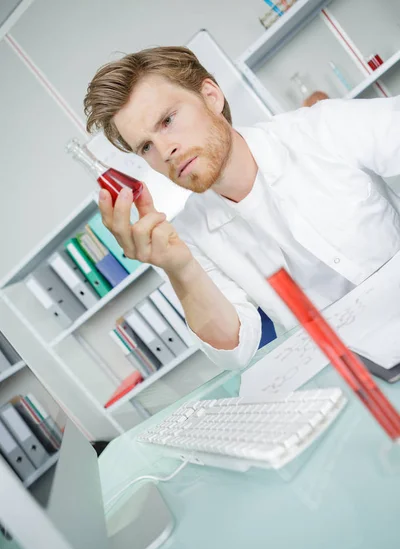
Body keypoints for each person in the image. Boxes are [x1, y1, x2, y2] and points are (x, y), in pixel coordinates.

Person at [84, 46, 400, 370]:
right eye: (146, 146)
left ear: (210, 96)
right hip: (347, 377)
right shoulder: (188, 235)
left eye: (167, 120)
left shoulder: (321, 128)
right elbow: (238, 350)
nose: (165, 151)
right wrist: (179, 269)